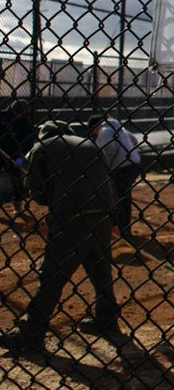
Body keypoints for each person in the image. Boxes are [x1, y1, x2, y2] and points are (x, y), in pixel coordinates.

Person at [0, 121, 119, 352]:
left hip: (73, 216)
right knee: (100, 269)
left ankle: (30, 334)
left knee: (51, 276)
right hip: (104, 212)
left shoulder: (42, 147)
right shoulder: (88, 143)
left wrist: (48, 191)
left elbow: (35, 191)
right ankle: (106, 318)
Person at [89, 114, 142, 238]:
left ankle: (119, 229)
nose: (94, 134)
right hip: (133, 163)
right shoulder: (119, 128)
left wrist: (106, 167)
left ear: (96, 126)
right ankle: (125, 229)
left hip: (121, 167)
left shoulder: (104, 131)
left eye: (92, 130)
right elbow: (134, 140)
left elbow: (109, 150)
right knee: (124, 196)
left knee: (116, 197)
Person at [0, 99, 34, 216]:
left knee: (17, 179)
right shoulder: (2, 116)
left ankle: (17, 207)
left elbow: (28, 142)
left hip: (17, 154)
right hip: (1, 151)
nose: (20, 116)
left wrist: (20, 158)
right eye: (18, 113)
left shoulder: (25, 121)